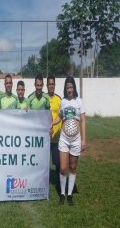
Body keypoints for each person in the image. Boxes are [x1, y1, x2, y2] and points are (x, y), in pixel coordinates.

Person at [51, 76, 86, 206]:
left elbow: (82, 121)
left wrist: (84, 140)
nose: (69, 90)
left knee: (73, 167)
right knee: (63, 168)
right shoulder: (63, 101)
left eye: (71, 87)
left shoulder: (79, 101)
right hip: (64, 139)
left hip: (76, 139)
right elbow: (60, 116)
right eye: (67, 87)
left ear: (74, 88)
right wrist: (52, 123)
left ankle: (70, 195)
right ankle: (62, 194)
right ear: (65, 88)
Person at [47, 75, 62, 193]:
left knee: (57, 162)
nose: (51, 86)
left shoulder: (59, 99)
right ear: (46, 85)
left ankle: (59, 181)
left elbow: (62, 116)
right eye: (49, 84)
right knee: (43, 161)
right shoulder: (43, 98)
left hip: (57, 137)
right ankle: (43, 180)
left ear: (54, 85)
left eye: (53, 84)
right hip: (46, 138)